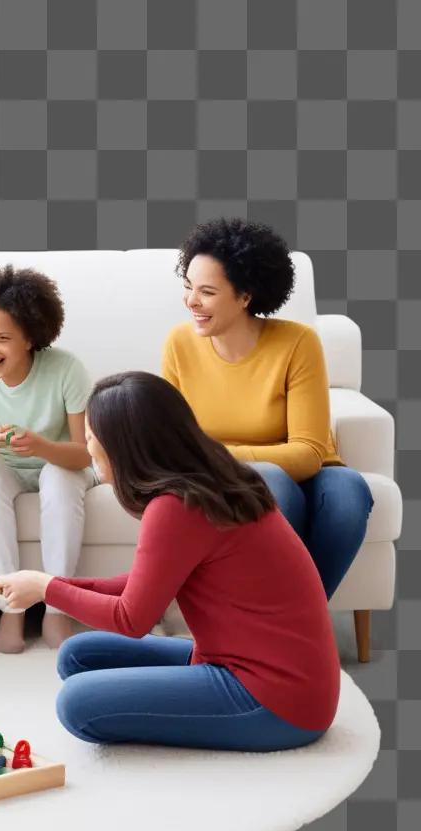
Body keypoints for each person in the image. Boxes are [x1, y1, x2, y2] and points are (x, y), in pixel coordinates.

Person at [0, 372, 340, 753]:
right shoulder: (212, 480)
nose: (87, 447)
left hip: (274, 700)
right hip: (264, 670)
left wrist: (46, 589)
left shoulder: (175, 507)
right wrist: (49, 585)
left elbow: (132, 618)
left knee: (76, 704)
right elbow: (144, 583)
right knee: (79, 654)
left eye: (92, 437)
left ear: (123, 447)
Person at [162, 218, 373, 603]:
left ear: (245, 296)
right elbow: (172, 440)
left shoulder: (297, 342)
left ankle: (296, 620)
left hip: (309, 472)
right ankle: (287, 629)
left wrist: (217, 453)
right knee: (271, 481)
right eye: (188, 286)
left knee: (349, 494)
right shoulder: (179, 344)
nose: (191, 301)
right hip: (237, 478)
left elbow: (309, 454)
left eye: (206, 292)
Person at [0, 265, 94, 654]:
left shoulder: (66, 368)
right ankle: (10, 604)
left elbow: (84, 452)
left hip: (63, 465)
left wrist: (42, 447)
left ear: (30, 338)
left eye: (2, 338)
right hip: (9, 467)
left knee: (59, 479)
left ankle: (57, 606)